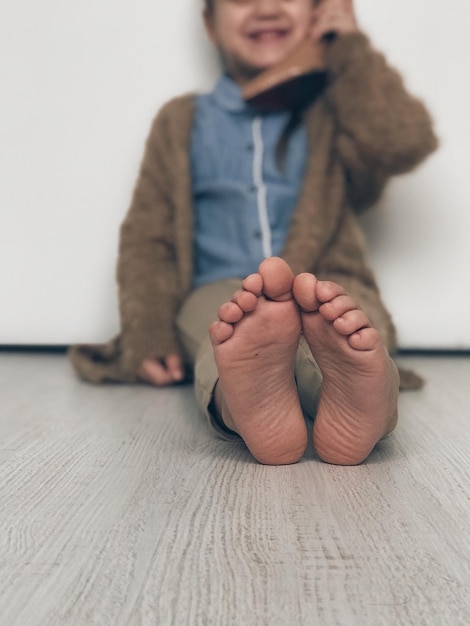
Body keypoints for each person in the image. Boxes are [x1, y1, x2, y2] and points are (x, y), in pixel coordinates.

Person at [69, 0, 437, 466]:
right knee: (220, 338)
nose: (266, 7)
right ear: (211, 24)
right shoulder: (181, 121)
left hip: (326, 281)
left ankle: (366, 397)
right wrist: (148, 331)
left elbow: (403, 141)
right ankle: (244, 404)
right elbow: (149, 236)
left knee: (352, 325)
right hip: (222, 290)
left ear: (321, 12)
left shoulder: (337, 111)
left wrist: (350, 49)